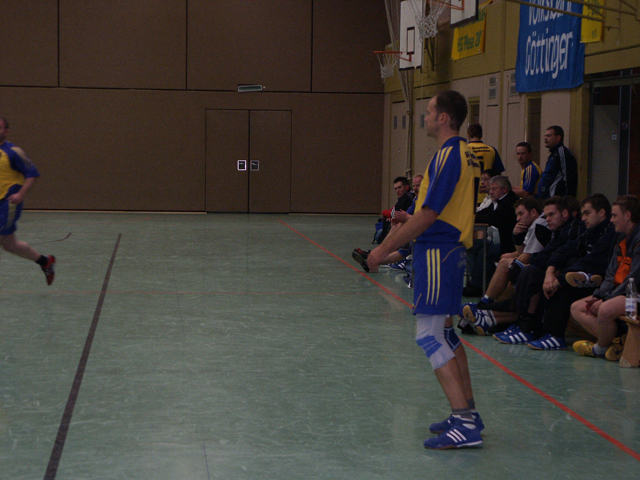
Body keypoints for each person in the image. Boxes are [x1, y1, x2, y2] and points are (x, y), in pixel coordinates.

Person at [368, 90, 483, 449]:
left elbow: (430, 214)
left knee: (429, 336)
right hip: (449, 250)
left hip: (438, 251)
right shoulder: (466, 154)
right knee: (447, 334)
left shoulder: (449, 155)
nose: (426, 116)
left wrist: (383, 250)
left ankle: (464, 423)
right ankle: (469, 413)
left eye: (431, 111)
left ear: (445, 117)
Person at [526, 194, 617, 350]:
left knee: (565, 285)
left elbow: (594, 261)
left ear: (601, 213)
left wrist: (559, 280)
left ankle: (554, 335)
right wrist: (550, 272)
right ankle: (529, 327)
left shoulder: (611, 233)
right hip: (590, 277)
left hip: (606, 282)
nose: (583, 218)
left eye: (587, 213)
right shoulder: (589, 232)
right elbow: (564, 249)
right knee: (558, 272)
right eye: (582, 214)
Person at [491, 196, 583, 344]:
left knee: (529, 271)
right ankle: (520, 322)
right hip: (556, 271)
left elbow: (555, 254)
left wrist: (549, 270)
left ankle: (525, 326)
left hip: (571, 277)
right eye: (546, 216)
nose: (548, 219)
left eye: (551, 215)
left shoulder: (573, 230)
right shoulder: (559, 230)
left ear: (565, 213)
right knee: (527, 270)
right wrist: (516, 237)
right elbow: (547, 253)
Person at [461, 196, 549, 335]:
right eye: (517, 215)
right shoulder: (533, 225)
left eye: (521, 214)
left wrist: (513, 259)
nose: (518, 218)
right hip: (536, 267)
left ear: (533, 212)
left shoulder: (539, 224)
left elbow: (526, 256)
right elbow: (522, 251)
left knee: (507, 265)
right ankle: (487, 315)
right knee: (508, 262)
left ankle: (484, 306)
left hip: (540, 271)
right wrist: (516, 236)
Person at [571, 195, 640, 360]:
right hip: (621, 291)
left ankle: (600, 349)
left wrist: (607, 299)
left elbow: (635, 278)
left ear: (627, 215)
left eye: (615, 215)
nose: (611, 220)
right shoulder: (620, 237)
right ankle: (618, 343)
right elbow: (611, 273)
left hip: (635, 292)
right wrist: (599, 295)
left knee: (605, 309)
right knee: (577, 307)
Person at [0, 117, 55, 285]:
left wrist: (21, 194)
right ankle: (45, 261)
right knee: (9, 245)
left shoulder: (13, 152)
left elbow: (32, 174)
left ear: (6, 131)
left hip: (8, 203)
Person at [464, 174, 518, 297]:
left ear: (504, 189)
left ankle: (478, 285)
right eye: (490, 189)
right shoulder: (498, 201)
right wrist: (470, 217)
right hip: (501, 242)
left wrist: (470, 219)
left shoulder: (509, 202)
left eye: (494, 189)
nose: (491, 192)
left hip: (510, 246)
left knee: (485, 252)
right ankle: (477, 281)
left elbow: (493, 217)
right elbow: (484, 213)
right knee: (471, 245)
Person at [537, 126, 578, 199]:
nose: (545, 138)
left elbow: (569, 178)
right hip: (546, 197)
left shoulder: (562, 153)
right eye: (545, 136)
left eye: (549, 136)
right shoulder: (553, 154)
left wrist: (568, 199)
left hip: (556, 199)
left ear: (558, 138)